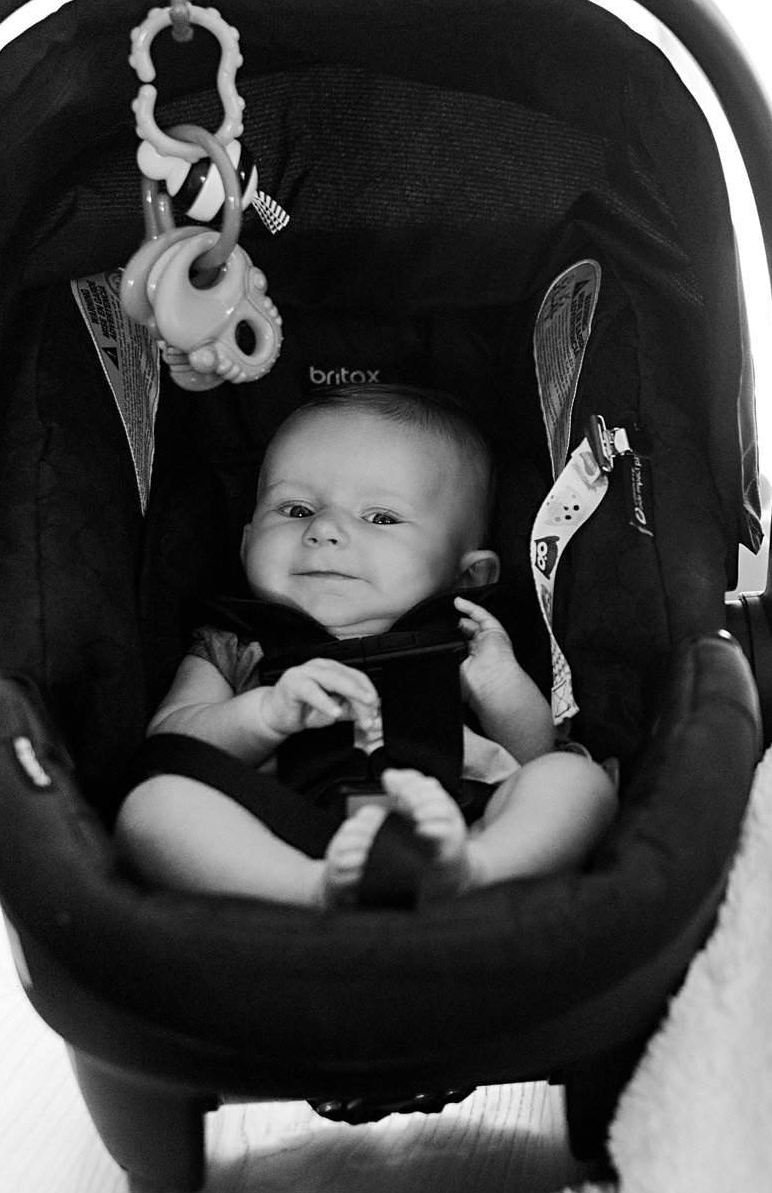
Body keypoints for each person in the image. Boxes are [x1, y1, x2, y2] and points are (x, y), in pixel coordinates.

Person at [116, 384, 617, 908]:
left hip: (460, 819)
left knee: (574, 780)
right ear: (246, 546)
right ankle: (312, 889)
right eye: (294, 509)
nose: (326, 529)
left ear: (467, 575)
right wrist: (262, 715)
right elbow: (168, 744)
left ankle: (478, 870)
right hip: (279, 834)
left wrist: (500, 686)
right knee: (153, 807)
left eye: (380, 518)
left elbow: (532, 753)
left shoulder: (472, 644)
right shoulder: (235, 643)